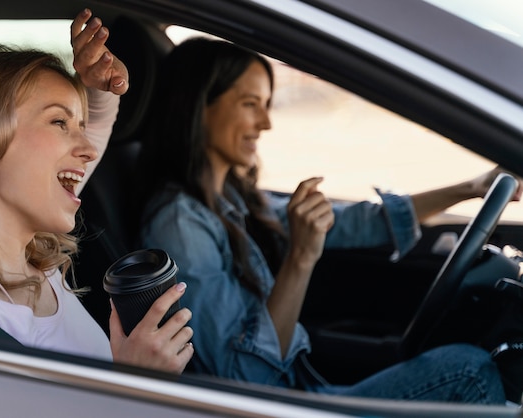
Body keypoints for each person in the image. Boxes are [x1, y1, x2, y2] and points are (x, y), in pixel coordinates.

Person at [136, 37, 516, 402]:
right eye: (251, 104)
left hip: (299, 388)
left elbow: (357, 222)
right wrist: (301, 257)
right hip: (272, 405)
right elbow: (243, 379)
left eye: (267, 104)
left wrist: (471, 187)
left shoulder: (231, 198)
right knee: (468, 371)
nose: (266, 123)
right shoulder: (180, 224)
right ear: (199, 106)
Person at [0, 10, 194, 374]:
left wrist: (96, 84)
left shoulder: (30, 258)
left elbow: (97, 129)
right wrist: (141, 384)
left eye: (79, 126)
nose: (87, 149)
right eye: (59, 122)